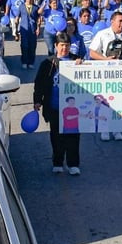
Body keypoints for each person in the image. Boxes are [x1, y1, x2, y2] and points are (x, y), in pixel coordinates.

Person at [33, 32, 83, 175]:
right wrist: (37, 100)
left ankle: (73, 164)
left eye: (67, 46)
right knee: (56, 137)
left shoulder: (76, 60)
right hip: (54, 107)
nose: (64, 49)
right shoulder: (47, 64)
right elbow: (39, 84)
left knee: (73, 136)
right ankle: (58, 162)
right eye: (62, 46)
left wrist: (81, 65)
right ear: (55, 46)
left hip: (72, 108)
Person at [88, 11, 122, 140]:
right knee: (106, 103)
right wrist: (106, 60)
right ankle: (104, 130)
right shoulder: (102, 34)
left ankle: (117, 130)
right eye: (120, 21)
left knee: (120, 104)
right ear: (112, 21)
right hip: (107, 75)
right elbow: (92, 53)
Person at [17, 0, 41, 69]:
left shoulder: (36, 7)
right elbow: (17, 17)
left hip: (32, 29)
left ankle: (31, 62)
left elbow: (39, 19)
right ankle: (24, 61)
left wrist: (38, 28)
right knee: (24, 46)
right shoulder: (21, 6)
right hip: (24, 29)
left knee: (32, 46)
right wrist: (16, 30)